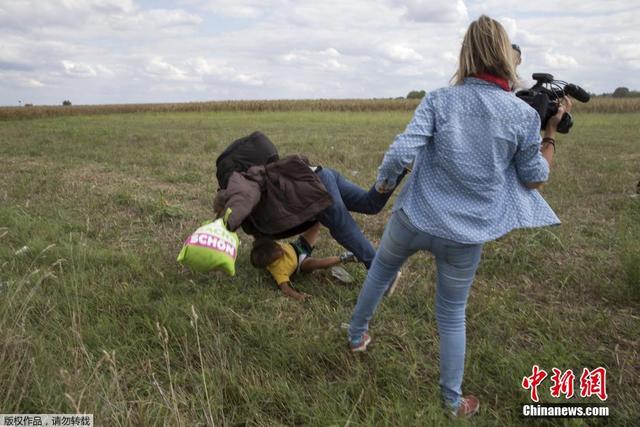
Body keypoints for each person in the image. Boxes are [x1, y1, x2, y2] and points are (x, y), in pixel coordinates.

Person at [346, 15, 572, 418]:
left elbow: (400, 153)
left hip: (414, 217)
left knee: (380, 272)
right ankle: (452, 401)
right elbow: (535, 178)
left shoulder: (438, 99)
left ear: (466, 53)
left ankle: (355, 335)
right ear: (507, 57)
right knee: (451, 314)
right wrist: (549, 133)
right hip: (466, 235)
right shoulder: (523, 116)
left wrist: (382, 187)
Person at [250, 222, 356, 301]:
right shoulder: (278, 270)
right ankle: (344, 258)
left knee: (315, 225)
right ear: (270, 261)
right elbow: (285, 289)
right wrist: (299, 296)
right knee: (316, 263)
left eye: (277, 246)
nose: (280, 248)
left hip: (298, 246)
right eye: (278, 252)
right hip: (302, 263)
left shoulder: (268, 246)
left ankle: (322, 214)